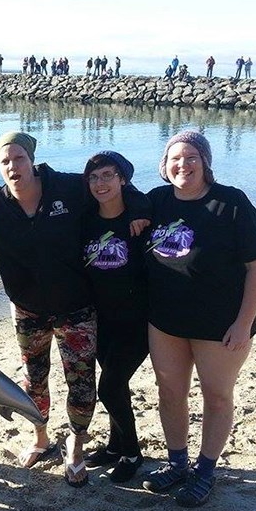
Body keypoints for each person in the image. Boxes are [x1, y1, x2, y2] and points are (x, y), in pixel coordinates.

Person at [0, 132, 149, 488]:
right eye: (5, 161)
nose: (13, 166)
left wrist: (142, 212)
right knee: (34, 380)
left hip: (77, 310)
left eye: (19, 158)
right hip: (27, 311)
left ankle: (75, 446)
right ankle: (41, 438)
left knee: (82, 383)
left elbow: (113, 189)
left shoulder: (67, 188)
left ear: (32, 159)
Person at [142, 131, 256, 508]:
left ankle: (205, 470)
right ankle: (177, 462)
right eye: (175, 158)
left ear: (206, 162)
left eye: (192, 156)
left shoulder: (231, 203)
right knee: (170, 392)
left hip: (220, 323)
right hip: (165, 320)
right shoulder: (156, 200)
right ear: (165, 166)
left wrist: (243, 322)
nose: (183, 164)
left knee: (216, 395)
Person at [81, 152, 149, 484]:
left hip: (137, 322)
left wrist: (138, 209)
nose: (100, 183)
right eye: (94, 177)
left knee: (108, 388)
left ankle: (132, 452)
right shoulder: (87, 219)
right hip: (100, 321)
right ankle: (114, 445)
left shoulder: (140, 220)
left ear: (123, 178)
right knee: (115, 383)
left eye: (108, 175)